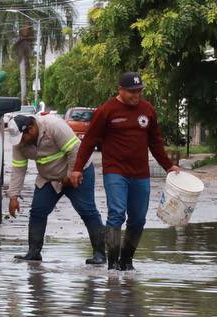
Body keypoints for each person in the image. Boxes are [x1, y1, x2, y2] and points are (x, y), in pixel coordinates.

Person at [69, 72, 180, 271]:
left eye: (139, 91)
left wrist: (168, 166)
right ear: (120, 90)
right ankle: (112, 265)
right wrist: (77, 169)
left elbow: (155, 142)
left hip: (140, 174)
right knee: (117, 214)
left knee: (138, 219)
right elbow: (89, 142)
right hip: (115, 171)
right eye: (131, 92)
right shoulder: (106, 110)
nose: (136, 95)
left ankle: (126, 261)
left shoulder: (148, 110)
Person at [6, 113, 106, 264]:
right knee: (37, 212)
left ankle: (100, 254)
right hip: (49, 178)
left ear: (31, 128)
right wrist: (13, 196)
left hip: (77, 172)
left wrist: (71, 175)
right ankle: (34, 252)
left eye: (23, 138)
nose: (21, 142)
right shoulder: (19, 144)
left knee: (87, 211)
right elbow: (18, 169)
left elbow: (75, 150)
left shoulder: (53, 126)